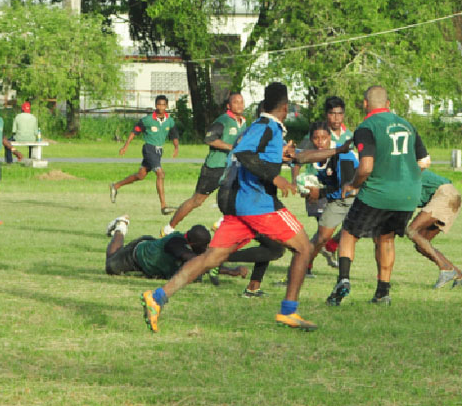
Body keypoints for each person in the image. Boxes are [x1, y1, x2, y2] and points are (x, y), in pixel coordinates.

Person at [139, 82, 318, 333]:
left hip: (242, 206)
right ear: (285, 107)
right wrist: (274, 176)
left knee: (211, 258)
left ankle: (157, 297)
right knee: (304, 247)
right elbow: (244, 153)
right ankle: (288, 311)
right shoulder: (266, 126)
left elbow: (268, 154)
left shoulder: (262, 126)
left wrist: (339, 149)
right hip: (257, 204)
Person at [326, 86, 430, 306]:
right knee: (386, 237)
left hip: (379, 191)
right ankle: (383, 292)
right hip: (408, 194)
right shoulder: (407, 125)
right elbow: (424, 162)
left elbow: (365, 167)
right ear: (388, 103)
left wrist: (353, 185)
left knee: (348, 232)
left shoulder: (367, 127)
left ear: (365, 104)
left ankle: (343, 280)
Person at [160, 93, 247, 236]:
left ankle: (221, 223)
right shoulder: (223, 120)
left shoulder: (243, 122)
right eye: (236, 102)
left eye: (241, 102)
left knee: (239, 194)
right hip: (215, 167)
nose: (240, 105)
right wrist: (231, 147)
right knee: (197, 200)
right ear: (228, 106)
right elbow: (209, 139)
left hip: (231, 167)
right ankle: (169, 227)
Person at [290, 96, 353, 270]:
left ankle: (329, 247)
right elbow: (298, 158)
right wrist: (295, 182)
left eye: (339, 114)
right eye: (332, 114)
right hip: (317, 187)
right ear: (327, 115)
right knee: (323, 232)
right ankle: (306, 265)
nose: (336, 118)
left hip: (340, 188)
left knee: (353, 224)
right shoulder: (317, 134)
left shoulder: (349, 136)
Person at [298, 122, 358, 279]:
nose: (320, 142)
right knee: (321, 236)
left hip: (358, 198)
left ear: (329, 138)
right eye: (316, 138)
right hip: (337, 199)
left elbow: (347, 186)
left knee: (360, 231)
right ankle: (304, 267)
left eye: (324, 138)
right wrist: (307, 189)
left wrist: (321, 192)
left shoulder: (342, 155)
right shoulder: (316, 157)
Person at [105, 215, 248, 280]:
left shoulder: (190, 245)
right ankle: (121, 225)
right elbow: (197, 261)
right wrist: (231, 271)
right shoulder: (176, 244)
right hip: (136, 254)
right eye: (203, 246)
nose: (205, 248)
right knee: (110, 265)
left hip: (153, 257)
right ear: (192, 244)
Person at [110, 95, 179, 215]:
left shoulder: (170, 120)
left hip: (158, 151)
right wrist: (125, 146)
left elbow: (174, 135)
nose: (161, 107)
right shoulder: (147, 120)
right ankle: (164, 206)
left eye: (163, 105)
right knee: (160, 173)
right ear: (155, 105)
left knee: (141, 175)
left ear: (166, 106)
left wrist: (176, 147)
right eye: (158, 104)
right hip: (149, 148)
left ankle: (116, 186)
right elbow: (134, 132)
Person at [406, 170, 462, 289]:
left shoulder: (398, 173)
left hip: (444, 195)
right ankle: (460, 276)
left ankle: (445, 269)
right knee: (421, 244)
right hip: (451, 195)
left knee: (412, 231)